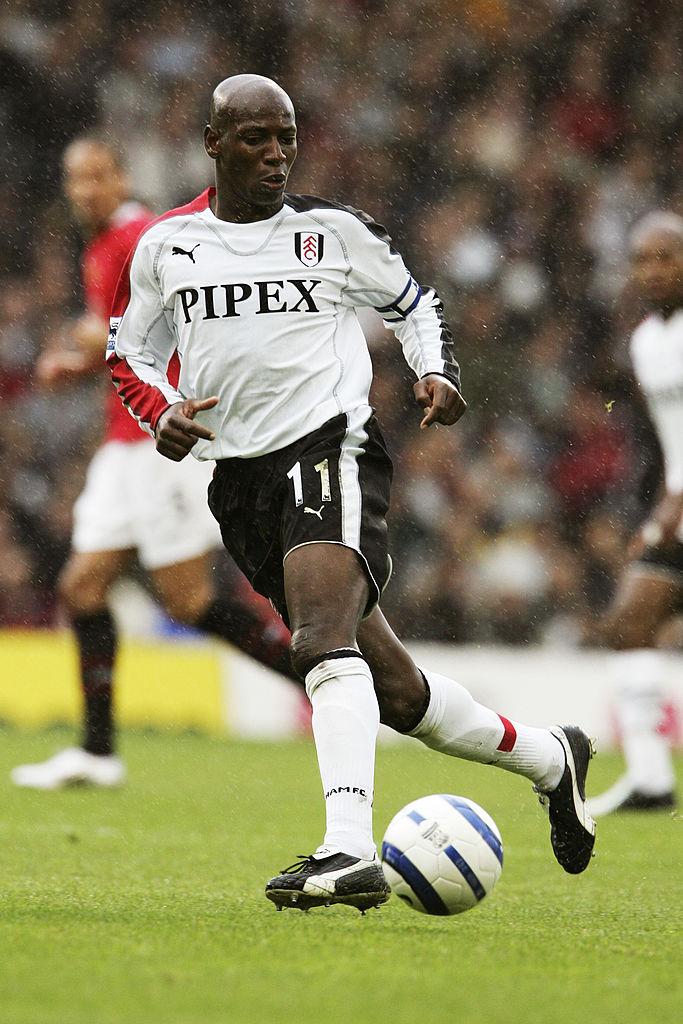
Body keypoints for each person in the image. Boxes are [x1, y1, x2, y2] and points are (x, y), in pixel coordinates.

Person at [108, 74, 596, 912]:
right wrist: (162, 413)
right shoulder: (166, 246)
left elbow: (413, 304)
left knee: (317, 637)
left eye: (286, 138)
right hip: (240, 478)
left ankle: (346, 852)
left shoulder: (333, 232)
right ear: (213, 145)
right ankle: (552, 758)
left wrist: (435, 370)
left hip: (330, 446)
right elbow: (128, 352)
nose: (276, 155)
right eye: (256, 139)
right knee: (397, 693)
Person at [12, 136, 297, 791]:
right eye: (75, 178)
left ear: (122, 177)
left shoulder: (139, 236)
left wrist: (89, 342)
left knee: (189, 601)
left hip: (160, 442)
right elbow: (125, 343)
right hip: (123, 447)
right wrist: (79, 362)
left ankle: (326, 683)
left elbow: (155, 322)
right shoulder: (100, 245)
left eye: (97, 176)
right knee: (82, 589)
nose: (85, 190)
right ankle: (97, 752)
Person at [589, 211, 683, 816]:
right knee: (629, 622)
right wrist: (662, 505)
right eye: (641, 260)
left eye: (665, 257)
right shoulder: (646, 343)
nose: (652, 270)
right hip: (678, 511)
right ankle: (650, 779)